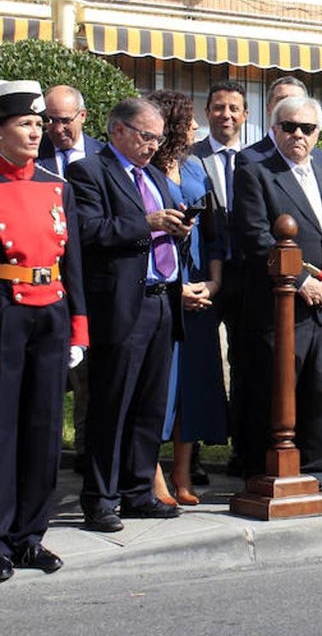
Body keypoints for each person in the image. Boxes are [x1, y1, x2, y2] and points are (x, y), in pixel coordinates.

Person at [69, 98, 190, 532]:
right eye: (145, 136)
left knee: (150, 403)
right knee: (112, 403)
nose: (153, 146)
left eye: (158, 138)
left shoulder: (155, 175)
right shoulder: (90, 171)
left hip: (161, 299)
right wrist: (149, 222)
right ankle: (100, 498)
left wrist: (178, 228)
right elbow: (88, 230)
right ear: (118, 130)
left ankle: (139, 490)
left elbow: (159, 229)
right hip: (122, 306)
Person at [232, 96, 322, 498]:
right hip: (282, 309)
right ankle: (262, 474)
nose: (298, 135)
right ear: (274, 130)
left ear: (318, 133)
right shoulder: (256, 173)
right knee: (273, 394)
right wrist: (302, 281)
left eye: (307, 128)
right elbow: (255, 237)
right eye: (289, 127)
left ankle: (317, 473)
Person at [0, 81, 88, 581]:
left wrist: (79, 328)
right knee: (4, 427)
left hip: (51, 309)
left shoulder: (56, 183)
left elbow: (70, 261)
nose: (36, 132)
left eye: (39, 124)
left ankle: (29, 535)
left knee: (44, 427)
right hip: (6, 310)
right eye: (25, 124)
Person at [146, 90, 228, 506]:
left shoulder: (197, 169)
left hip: (200, 291)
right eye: (190, 120)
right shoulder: (146, 173)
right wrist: (175, 288)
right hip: (163, 292)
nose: (196, 126)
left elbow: (214, 235)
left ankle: (183, 473)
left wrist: (212, 283)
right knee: (162, 386)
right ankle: (153, 474)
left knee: (193, 387)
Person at [34, 84, 101, 476]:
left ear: (83, 117)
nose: (56, 128)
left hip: (91, 285)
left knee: (91, 380)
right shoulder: (32, 156)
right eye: (49, 121)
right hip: (42, 284)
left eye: (64, 120)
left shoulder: (102, 157)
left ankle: (88, 454)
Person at [189, 80, 248, 477]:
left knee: (246, 364)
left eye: (233, 109)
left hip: (244, 277)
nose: (225, 115)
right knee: (199, 364)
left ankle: (243, 450)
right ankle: (188, 456)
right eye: (218, 107)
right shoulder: (189, 158)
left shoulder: (256, 158)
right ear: (207, 112)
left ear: (245, 115)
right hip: (203, 275)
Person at [35, 85, 102, 177]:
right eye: (51, 120)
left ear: (82, 116)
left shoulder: (105, 157)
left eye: (65, 121)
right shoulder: (33, 154)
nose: (58, 129)